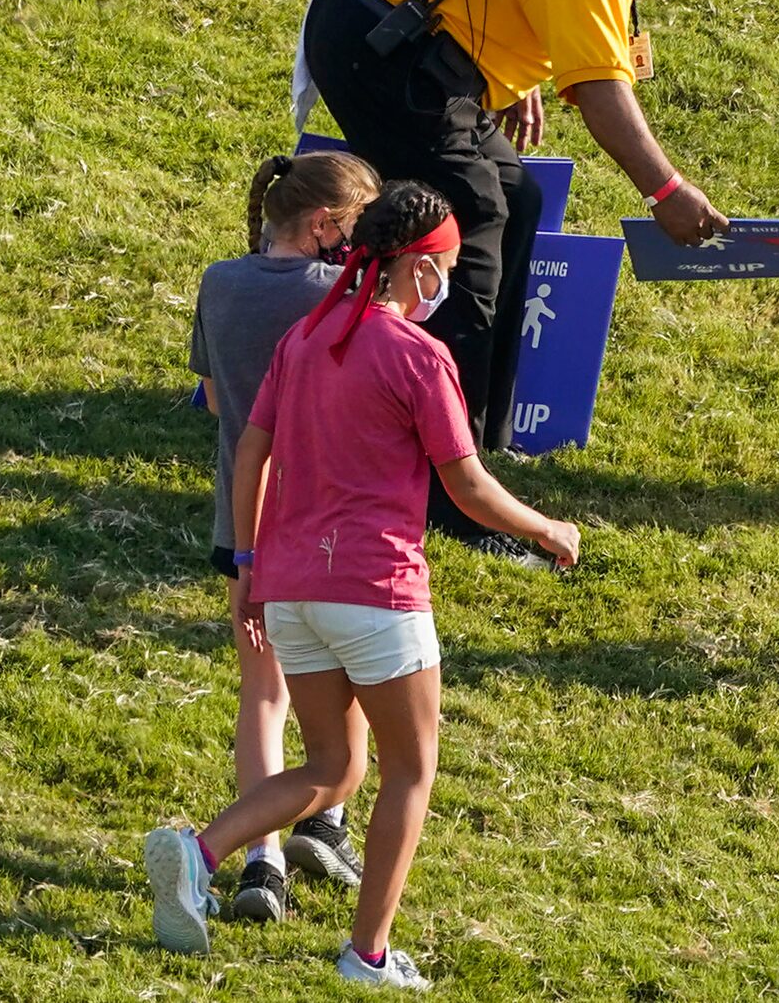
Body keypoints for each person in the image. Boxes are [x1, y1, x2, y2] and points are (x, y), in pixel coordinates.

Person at [143, 182, 580, 990]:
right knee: (409, 773)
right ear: (417, 270)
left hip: (290, 587)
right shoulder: (419, 356)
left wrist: (244, 566)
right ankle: (367, 953)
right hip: (378, 590)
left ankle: (198, 855)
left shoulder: (304, 339)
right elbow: (468, 488)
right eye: (444, 269)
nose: (445, 285)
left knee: (333, 768)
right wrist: (547, 528)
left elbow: (249, 454)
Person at [297, 0, 749, 542]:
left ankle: (479, 440)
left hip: (387, 20)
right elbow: (601, 89)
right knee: (465, 235)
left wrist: (505, 66)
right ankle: (451, 496)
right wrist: (665, 190)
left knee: (519, 203)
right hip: (389, 56)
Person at [186, 148, 384, 922]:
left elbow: (209, 399)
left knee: (261, 695)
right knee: (353, 678)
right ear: (325, 225)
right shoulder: (341, 294)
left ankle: (259, 867)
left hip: (241, 526)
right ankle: (326, 821)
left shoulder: (218, 282)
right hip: (331, 526)